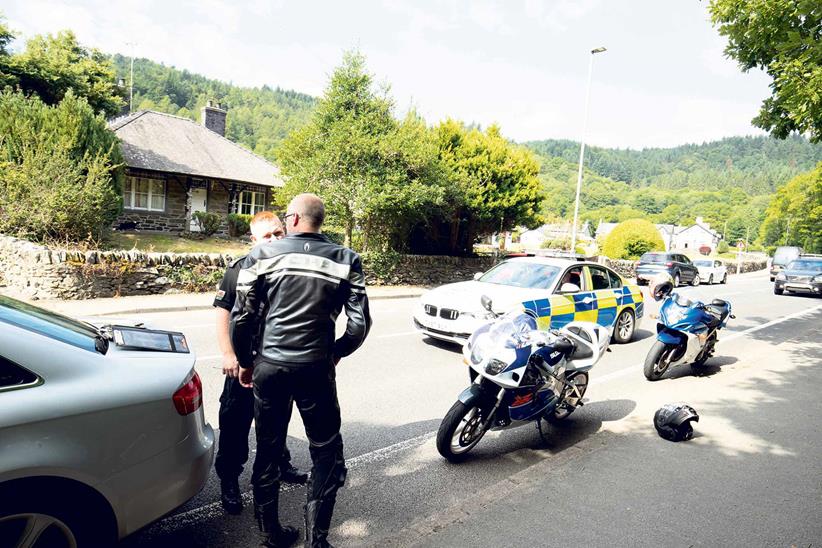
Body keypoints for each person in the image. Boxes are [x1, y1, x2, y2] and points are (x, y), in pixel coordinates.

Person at [231, 194, 371, 548]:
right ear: (319, 221)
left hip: (269, 366)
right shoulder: (346, 259)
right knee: (325, 450)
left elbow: (242, 317)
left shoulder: (260, 255)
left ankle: (271, 535)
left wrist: (246, 361)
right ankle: (317, 540)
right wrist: (336, 353)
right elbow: (359, 325)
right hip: (315, 367)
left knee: (268, 447)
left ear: (292, 219)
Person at [213, 211, 308, 516]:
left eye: (279, 233)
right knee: (235, 423)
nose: (275, 239)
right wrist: (228, 354)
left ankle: (280, 463)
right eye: (267, 236)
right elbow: (223, 312)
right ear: (253, 240)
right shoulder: (238, 269)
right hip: (244, 363)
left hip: (279, 362)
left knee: (277, 419)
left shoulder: (294, 268)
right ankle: (229, 480)